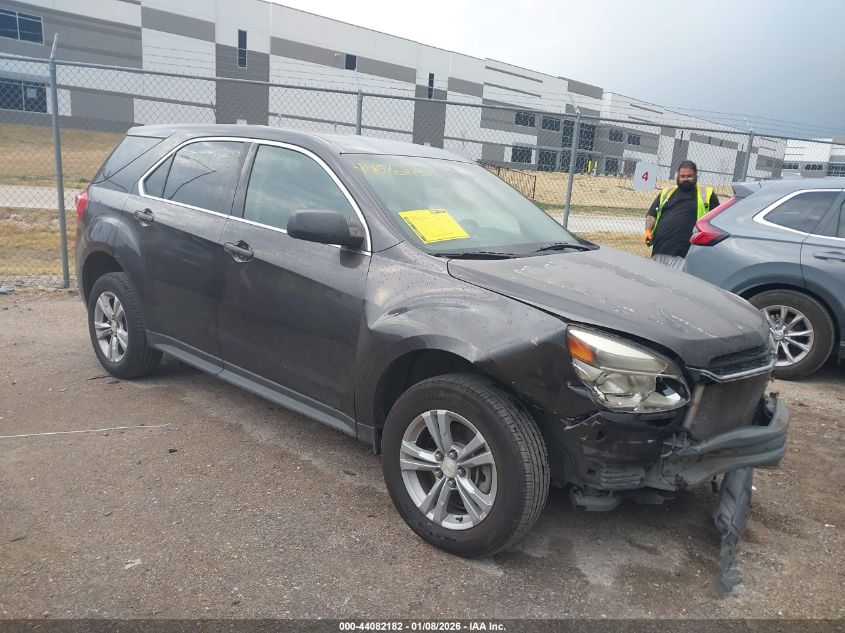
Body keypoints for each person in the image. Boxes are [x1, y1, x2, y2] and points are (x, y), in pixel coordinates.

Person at [644, 160, 719, 269]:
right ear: (677, 176)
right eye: (682, 176)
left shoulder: (706, 194)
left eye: (689, 176)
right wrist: (647, 231)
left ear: (696, 176)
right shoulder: (666, 192)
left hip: (684, 251)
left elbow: (716, 219)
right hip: (660, 248)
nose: (685, 179)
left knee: (675, 282)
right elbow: (652, 214)